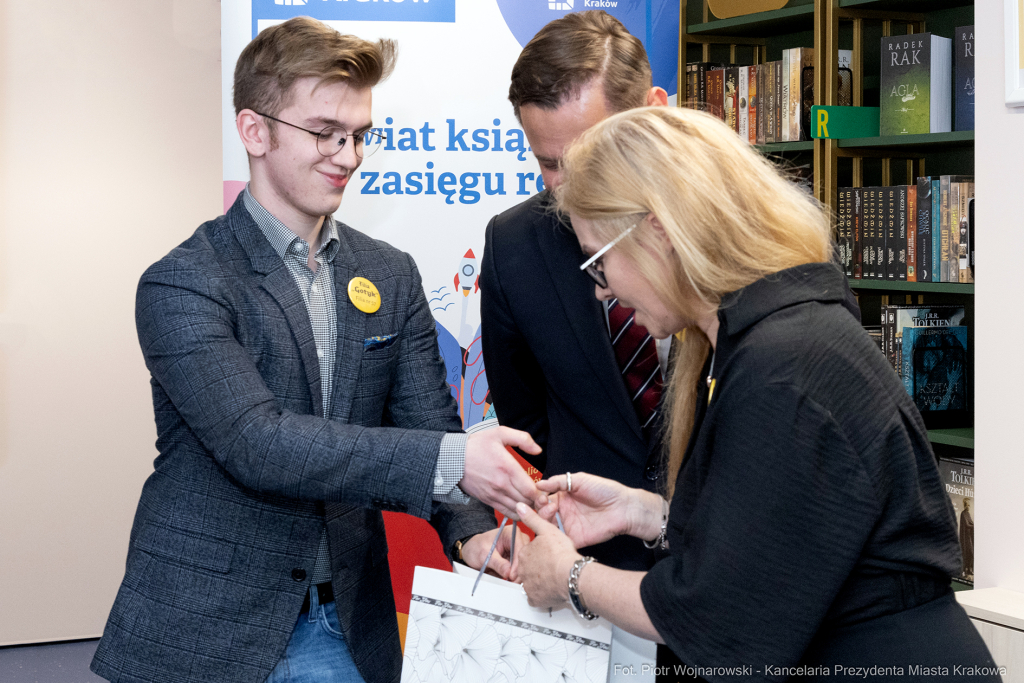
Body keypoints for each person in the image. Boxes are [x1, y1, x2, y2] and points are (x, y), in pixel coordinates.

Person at [91, 17, 543, 683]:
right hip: (206, 626)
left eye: (360, 134)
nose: (349, 155)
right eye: (326, 132)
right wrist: (455, 459)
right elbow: (258, 443)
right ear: (255, 130)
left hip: (344, 624)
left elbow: (426, 422)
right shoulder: (185, 280)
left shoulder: (389, 273)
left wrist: (475, 534)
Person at [514, 106, 1000, 681]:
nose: (602, 292)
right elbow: (784, 542)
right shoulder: (766, 341)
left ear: (658, 229)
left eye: (600, 263)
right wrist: (648, 515)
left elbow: (724, 623)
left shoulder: (783, 367)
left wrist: (572, 578)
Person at [480, 10, 669, 573]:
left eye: (592, 154)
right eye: (549, 165)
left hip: (736, 574)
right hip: (589, 575)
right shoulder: (515, 245)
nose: (570, 187)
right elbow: (526, 422)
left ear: (654, 112)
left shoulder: (747, 234)